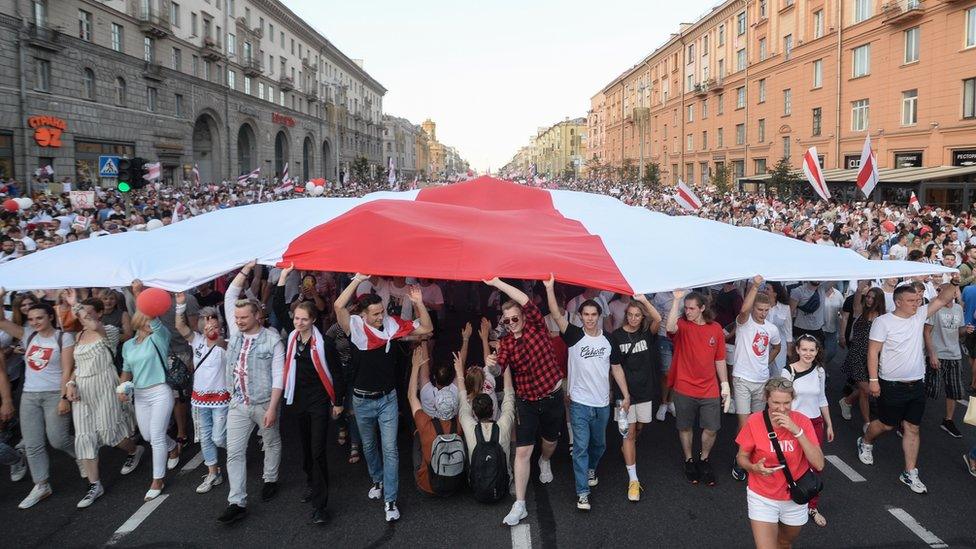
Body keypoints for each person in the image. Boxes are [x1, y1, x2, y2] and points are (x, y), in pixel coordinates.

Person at [334, 273, 432, 522]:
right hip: (362, 401)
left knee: (390, 450)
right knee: (369, 446)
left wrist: (419, 302)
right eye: (376, 314)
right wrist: (357, 279)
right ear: (363, 315)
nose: (381, 317)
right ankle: (377, 480)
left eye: (382, 312)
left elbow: (428, 328)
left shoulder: (392, 324)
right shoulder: (354, 326)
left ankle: (390, 500)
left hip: (388, 400)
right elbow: (337, 305)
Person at [857, 280, 958, 493]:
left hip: (916, 383)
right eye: (911, 300)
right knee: (886, 424)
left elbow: (944, 297)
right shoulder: (883, 322)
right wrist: (874, 381)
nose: (917, 303)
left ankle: (910, 472)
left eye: (918, 300)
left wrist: (953, 280)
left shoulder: (920, 314)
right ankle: (865, 440)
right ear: (898, 302)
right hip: (891, 384)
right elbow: (873, 351)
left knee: (913, 427)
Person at [545, 275, 629, 511]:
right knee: (580, 446)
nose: (590, 318)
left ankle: (591, 468)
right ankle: (583, 492)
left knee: (599, 444)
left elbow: (616, 368)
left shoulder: (608, 340)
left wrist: (625, 394)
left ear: (600, 316)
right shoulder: (573, 335)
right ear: (580, 316)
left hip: (602, 403)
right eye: (586, 315)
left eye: (594, 314)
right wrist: (550, 289)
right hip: (579, 403)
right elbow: (556, 313)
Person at [485, 276, 563, 526]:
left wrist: (497, 283)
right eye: (506, 321)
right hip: (527, 401)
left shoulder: (536, 326)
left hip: (551, 396)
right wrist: (492, 365)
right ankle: (520, 504)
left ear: (524, 316)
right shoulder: (506, 343)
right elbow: (499, 371)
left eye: (514, 318)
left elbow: (525, 299)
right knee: (522, 451)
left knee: (550, 442)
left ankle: (545, 461)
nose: (510, 323)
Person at [273, 264, 345, 524]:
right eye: (296, 319)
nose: (299, 322)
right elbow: (279, 307)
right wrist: (282, 277)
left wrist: (337, 402)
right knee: (305, 448)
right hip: (297, 401)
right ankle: (311, 481)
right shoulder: (292, 338)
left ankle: (320, 505)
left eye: (304, 319)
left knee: (317, 451)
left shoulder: (323, 343)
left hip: (318, 401)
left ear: (313, 320)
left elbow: (337, 373)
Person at [217, 261, 286, 524]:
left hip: (264, 402)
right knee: (234, 452)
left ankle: (270, 478)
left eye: (244, 318)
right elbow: (230, 295)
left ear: (258, 316)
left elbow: (279, 377)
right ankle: (237, 501)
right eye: (237, 319)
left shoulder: (272, 340)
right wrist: (247, 268)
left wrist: (271, 408)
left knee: (271, 441)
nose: (238, 322)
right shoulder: (235, 332)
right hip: (238, 403)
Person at [62, 291, 142, 509]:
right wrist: (70, 384)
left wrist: (75, 304)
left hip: (104, 385)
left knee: (109, 434)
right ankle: (94, 485)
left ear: (99, 314)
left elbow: (93, 326)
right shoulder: (78, 337)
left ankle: (134, 450)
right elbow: (76, 367)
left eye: (88, 314)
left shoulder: (108, 331)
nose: (83, 317)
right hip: (82, 390)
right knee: (85, 437)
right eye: (81, 314)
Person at [0, 292, 78, 509]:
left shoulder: (64, 337)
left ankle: (83, 456)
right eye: (32, 319)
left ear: (50, 317)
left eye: (39, 318)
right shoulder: (27, 334)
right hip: (29, 396)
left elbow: (66, 371)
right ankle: (41, 485)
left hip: (54, 393)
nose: (35, 322)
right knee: (33, 444)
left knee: (58, 440)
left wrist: (64, 398)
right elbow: (1, 321)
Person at [736, 378, 824, 549]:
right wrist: (753, 468)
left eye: (787, 403)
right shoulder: (754, 422)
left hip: (795, 496)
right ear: (766, 399)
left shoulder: (802, 421)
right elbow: (741, 457)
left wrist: (797, 431)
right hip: (762, 496)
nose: (782, 408)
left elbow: (819, 464)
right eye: (776, 402)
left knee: (784, 543)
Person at [666, 289, 730, 487]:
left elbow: (719, 359)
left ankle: (704, 459)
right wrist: (676, 301)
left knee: (711, 428)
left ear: (702, 308)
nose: (688, 312)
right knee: (685, 427)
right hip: (684, 386)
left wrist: (725, 384)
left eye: (692, 308)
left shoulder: (715, 328)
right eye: (686, 308)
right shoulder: (683, 325)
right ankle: (689, 460)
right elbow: (669, 326)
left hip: (709, 387)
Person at [119, 304, 180, 502]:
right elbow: (126, 370)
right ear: (138, 321)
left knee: (156, 438)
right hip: (140, 394)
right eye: (146, 320)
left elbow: (155, 319)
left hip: (160, 390)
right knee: (147, 435)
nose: (152, 323)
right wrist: (121, 389)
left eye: (152, 320)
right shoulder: (128, 346)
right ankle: (173, 447)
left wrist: (141, 295)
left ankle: (157, 480)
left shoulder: (158, 337)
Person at [173, 293, 228, 494]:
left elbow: (222, 346)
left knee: (219, 437)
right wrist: (180, 305)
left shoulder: (224, 344)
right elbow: (180, 326)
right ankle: (213, 472)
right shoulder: (196, 341)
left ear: (220, 326)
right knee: (205, 437)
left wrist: (219, 339)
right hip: (199, 399)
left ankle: (236, 451)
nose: (210, 329)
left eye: (214, 325)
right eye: (206, 325)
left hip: (221, 399)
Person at [609, 294, 661, 501]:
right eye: (630, 314)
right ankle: (633, 480)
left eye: (637, 315)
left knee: (639, 427)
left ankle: (628, 448)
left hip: (646, 391)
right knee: (628, 434)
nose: (633, 318)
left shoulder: (647, 333)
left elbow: (658, 319)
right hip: (626, 394)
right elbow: (615, 367)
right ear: (625, 315)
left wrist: (644, 301)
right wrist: (622, 394)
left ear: (642, 317)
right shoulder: (616, 336)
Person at [731, 276, 782, 482]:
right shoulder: (744, 322)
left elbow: (777, 346)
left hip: (762, 380)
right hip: (742, 378)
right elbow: (743, 310)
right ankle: (740, 460)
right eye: (759, 309)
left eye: (766, 310)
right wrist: (754, 286)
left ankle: (746, 456)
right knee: (745, 424)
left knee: (756, 423)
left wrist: (767, 360)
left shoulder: (771, 329)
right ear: (754, 308)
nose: (763, 313)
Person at [780, 334, 833, 528]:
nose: (808, 353)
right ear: (797, 350)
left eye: (812, 350)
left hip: (814, 423)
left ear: (817, 351)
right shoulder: (788, 372)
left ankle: (812, 506)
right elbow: (782, 402)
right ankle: (785, 502)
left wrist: (829, 424)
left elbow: (822, 399)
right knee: (791, 463)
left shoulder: (819, 371)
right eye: (804, 349)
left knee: (815, 466)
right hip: (793, 424)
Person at [407, 344, 464, 496]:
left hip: (428, 486)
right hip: (455, 484)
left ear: (436, 405)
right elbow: (462, 391)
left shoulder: (425, 424)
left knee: (417, 436)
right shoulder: (460, 423)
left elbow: (411, 396)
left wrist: (415, 367)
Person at [922, 285, 969, 438]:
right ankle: (911, 419)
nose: (954, 294)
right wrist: (932, 354)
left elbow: (959, 332)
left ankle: (948, 420)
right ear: (941, 292)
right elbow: (926, 332)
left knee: (954, 390)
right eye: (951, 291)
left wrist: (965, 330)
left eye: (955, 292)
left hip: (954, 355)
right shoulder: (935, 307)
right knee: (930, 389)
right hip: (938, 354)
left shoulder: (958, 309)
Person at [839, 284, 886, 429]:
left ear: (879, 300)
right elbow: (858, 292)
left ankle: (847, 401)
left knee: (868, 388)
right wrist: (861, 285)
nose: (869, 300)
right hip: (856, 355)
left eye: (873, 298)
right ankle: (867, 423)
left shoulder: (884, 318)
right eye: (868, 297)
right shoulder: (860, 311)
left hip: (872, 357)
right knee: (866, 390)